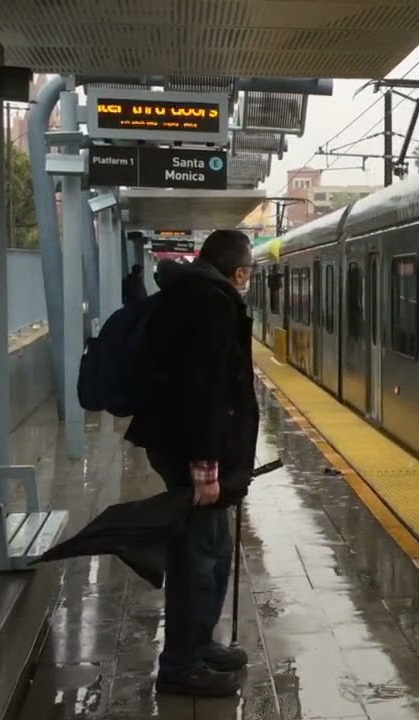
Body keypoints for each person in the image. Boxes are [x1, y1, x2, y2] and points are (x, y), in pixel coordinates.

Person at [124, 229, 259, 698]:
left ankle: (198, 646)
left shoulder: (195, 293)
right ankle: (181, 662)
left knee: (213, 551)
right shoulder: (211, 304)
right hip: (193, 453)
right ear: (239, 272)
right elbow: (203, 390)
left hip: (182, 446)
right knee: (199, 557)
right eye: (248, 275)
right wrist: (206, 468)